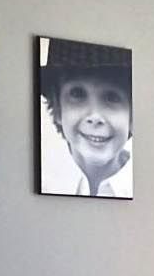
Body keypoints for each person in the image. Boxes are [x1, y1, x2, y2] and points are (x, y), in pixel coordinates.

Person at [39, 38, 132, 197]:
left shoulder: (153, 186)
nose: (94, 117)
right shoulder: (43, 180)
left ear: (133, 118)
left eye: (112, 97)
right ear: (59, 108)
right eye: (77, 94)